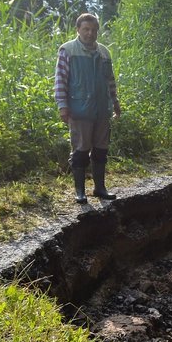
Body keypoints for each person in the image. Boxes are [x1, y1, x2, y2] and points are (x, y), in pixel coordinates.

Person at [54, 13, 121, 203]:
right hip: (79, 109)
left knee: (101, 149)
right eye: (86, 29)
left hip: (102, 109)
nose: (90, 33)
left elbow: (110, 81)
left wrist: (115, 103)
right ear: (78, 30)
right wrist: (63, 107)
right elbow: (60, 81)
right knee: (81, 150)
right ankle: (80, 192)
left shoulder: (104, 52)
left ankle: (100, 188)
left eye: (93, 30)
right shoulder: (67, 50)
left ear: (97, 31)